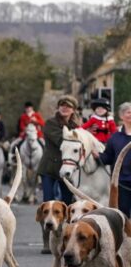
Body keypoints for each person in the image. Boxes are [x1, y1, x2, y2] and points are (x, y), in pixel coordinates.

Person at [37, 95, 82, 253]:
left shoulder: (77, 124)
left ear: (73, 109)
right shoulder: (50, 123)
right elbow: (61, 141)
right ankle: (46, 240)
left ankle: (66, 237)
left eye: (68, 106)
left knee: (68, 204)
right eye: (62, 105)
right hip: (49, 168)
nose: (65, 108)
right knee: (47, 204)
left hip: (67, 170)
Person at [93, 102, 131, 217]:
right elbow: (108, 157)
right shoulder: (115, 138)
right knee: (123, 215)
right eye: (128, 112)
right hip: (122, 183)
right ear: (121, 116)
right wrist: (98, 156)